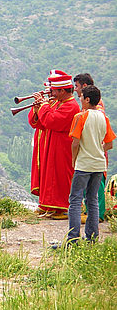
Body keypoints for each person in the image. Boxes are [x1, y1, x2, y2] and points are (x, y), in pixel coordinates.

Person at [67, 85, 115, 244]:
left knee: (75, 200)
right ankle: (92, 238)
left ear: (87, 99)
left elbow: (75, 143)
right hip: (99, 164)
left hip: (83, 164)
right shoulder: (104, 117)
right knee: (92, 200)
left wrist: (74, 160)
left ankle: (73, 239)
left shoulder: (80, 117)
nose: (79, 100)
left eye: (80, 97)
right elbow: (109, 144)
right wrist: (98, 149)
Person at [30, 72, 81, 219]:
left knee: (60, 175)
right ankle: (50, 205)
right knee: (51, 175)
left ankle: (62, 207)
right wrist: (37, 108)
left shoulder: (71, 106)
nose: (52, 93)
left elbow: (51, 121)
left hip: (63, 146)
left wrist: (43, 105)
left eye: (54, 91)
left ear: (63, 91)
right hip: (53, 144)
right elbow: (41, 123)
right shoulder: (60, 103)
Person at [73, 73, 107, 222]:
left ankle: (97, 216)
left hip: (91, 153)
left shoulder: (93, 110)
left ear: (85, 88)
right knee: (91, 193)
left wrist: (74, 159)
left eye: (77, 86)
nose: (75, 90)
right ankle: (93, 221)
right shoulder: (94, 108)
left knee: (93, 191)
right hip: (97, 153)